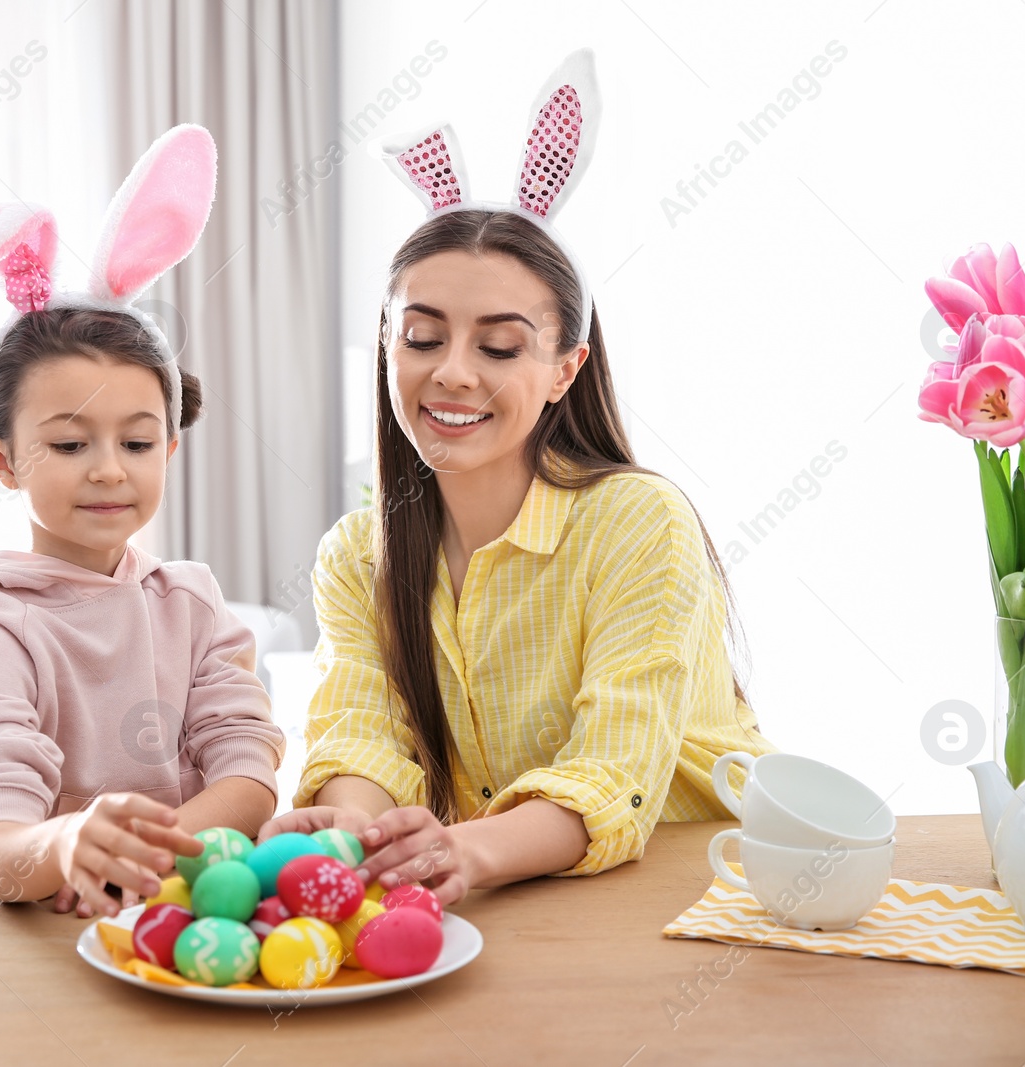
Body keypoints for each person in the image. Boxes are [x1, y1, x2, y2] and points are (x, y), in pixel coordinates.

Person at [258, 51, 778, 904]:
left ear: (564, 369)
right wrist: (352, 825)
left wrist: (466, 852)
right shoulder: (358, 553)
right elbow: (361, 732)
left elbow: (614, 770)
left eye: (499, 346)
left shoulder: (639, 521)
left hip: (696, 893)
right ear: (386, 344)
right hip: (513, 898)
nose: (453, 373)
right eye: (421, 338)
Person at [0, 125, 284, 921]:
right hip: (45, 951)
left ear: (169, 448)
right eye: (69, 442)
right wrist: (65, 845)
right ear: (1, 458)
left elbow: (248, 773)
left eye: (137, 441)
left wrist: (136, 862)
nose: (109, 468)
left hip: (193, 924)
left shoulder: (191, 603)